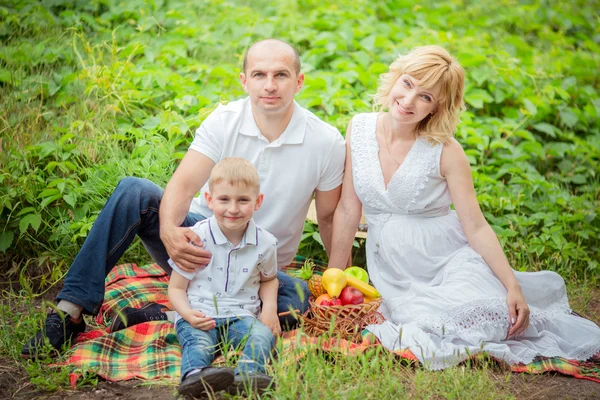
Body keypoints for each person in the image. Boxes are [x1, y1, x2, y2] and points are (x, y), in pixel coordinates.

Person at [22, 39, 346, 357]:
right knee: (134, 191)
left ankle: (168, 316)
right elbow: (182, 186)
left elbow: (329, 217)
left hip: (258, 266)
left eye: (281, 75)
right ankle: (69, 312)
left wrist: (337, 287)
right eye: (260, 75)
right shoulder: (224, 121)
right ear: (244, 80)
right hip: (199, 247)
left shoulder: (326, 141)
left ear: (299, 81)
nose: (270, 85)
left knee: (296, 300)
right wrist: (169, 232)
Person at [327, 45, 600, 369]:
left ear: (438, 106)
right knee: (423, 321)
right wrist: (335, 278)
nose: (410, 100)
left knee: (491, 317)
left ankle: (502, 292)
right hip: (394, 271)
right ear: (396, 78)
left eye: (426, 97)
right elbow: (347, 209)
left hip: (449, 261)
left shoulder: (445, 150)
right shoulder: (359, 129)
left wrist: (511, 285)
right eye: (408, 83)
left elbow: (476, 226)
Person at [169, 158, 278, 397]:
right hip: (201, 313)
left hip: (242, 316)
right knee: (199, 343)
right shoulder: (197, 238)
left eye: (243, 200)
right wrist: (187, 315)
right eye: (224, 199)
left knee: (262, 335)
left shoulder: (265, 243)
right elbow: (176, 288)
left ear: (257, 202)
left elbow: (269, 279)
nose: (233, 209)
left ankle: (246, 376)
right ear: (209, 200)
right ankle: (196, 376)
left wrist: (269, 308)